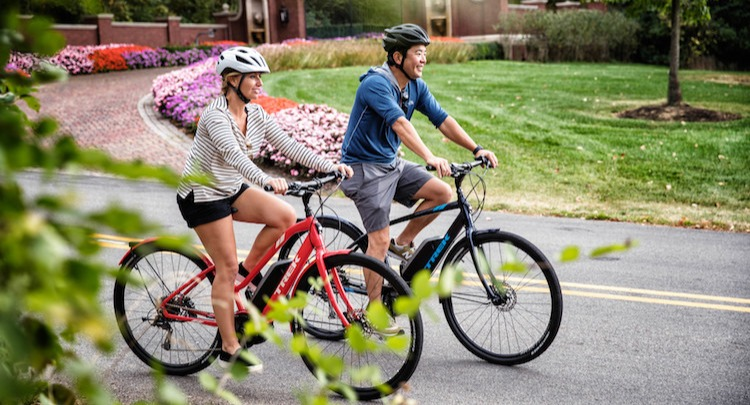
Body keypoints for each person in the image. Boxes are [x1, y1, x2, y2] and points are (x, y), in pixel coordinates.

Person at [176, 47, 352, 371]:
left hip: (230, 188)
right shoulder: (216, 116)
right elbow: (235, 157)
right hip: (203, 194)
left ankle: (246, 277)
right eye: (253, 77)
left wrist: (330, 165)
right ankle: (229, 346)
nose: (259, 83)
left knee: (284, 216)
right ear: (232, 80)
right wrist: (266, 180)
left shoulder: (255, 115)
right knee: (224, 268)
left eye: (260, 77)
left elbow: (289, 145)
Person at [339, 24, 498, 333]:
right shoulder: (375, 84)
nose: (424, 59)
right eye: (418, 53)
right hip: (363, 170)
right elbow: (400, 124)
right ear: (398, 56)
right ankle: (373, 313)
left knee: (441, 193)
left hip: (390, 164)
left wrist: (476, 148)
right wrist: (429, 157)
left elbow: (443, 120)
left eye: (425, 53)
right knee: (378, 240)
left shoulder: (415, 86)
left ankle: (402, 243)